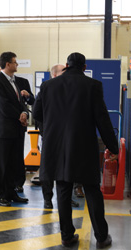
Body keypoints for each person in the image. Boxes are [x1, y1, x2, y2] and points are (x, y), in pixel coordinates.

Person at [32, 52, 118, 248]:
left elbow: (37, 113)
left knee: (63, 189)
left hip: (57, 147)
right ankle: (102, 237)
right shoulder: (93, 86)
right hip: (84, 147)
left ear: (66, 66)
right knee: (92, 191)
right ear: (84, 67)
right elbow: (102, 120)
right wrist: (113, 147)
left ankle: (67, 236)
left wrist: (54, 125)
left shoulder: (48, 85)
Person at [37, 64, 79, 209]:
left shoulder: (70, 89)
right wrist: (44, 133)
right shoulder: (46, 88)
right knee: (47, 169)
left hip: (67, 136)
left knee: (67, 167)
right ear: (55, 74)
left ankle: (66, 198)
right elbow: (38, 114)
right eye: (63, 71)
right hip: (49, 136)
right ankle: (47, 199)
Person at [0, 52, 29, 207]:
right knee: (2, 163)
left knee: (14, 162)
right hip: (4, 130)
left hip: (16, 129)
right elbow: (4, 106)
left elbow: (21, 101)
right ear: (7, 64)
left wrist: (24, 112)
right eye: (15, 62)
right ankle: (0, 195)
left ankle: (11, 193)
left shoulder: (14, 82)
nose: (16, 64)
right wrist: (20, 116)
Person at [14, 75, 35, 193]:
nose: (16, 64)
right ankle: (8, 182)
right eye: (14, 62)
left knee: (18, 154)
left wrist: (27, 95)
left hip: (20, 125)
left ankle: (19, 183)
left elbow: (32, 101)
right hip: (6, 126)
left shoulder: (22, 82)